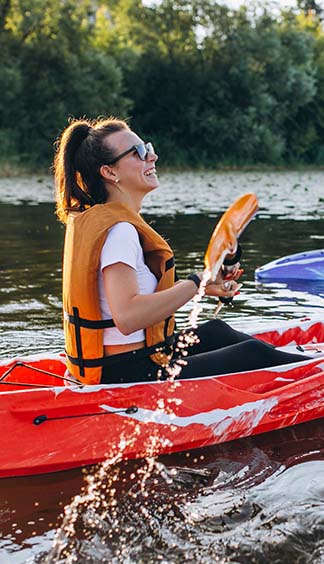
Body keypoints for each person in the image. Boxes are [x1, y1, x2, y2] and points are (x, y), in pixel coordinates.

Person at [54, 117, 307, 385]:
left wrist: (204, 287)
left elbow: (128, 298)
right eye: (139, 153)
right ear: (109, 172)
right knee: (251, 353)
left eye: (147, 147)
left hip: (132, 360)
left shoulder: (104, 221)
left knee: (216, 331)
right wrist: (197, 282)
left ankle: (306, 364)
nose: (153, 156)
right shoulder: (120, 232)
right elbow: (127, 317)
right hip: (127, 372)